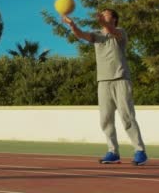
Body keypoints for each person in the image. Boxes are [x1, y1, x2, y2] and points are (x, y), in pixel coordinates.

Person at [63, 9, 148, 166]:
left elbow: (111, 29)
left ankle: (140, 151)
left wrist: (103, 22)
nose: (103, 15)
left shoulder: (120, 32)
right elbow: (81, 35)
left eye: (106, 14)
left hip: (121, 79)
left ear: (114, 19)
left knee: (127, 116)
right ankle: (113, 152)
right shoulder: (96, 34)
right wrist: (72, 25)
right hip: (103, 81)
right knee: (105, 119)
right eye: (102, 14)